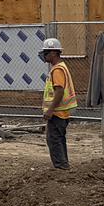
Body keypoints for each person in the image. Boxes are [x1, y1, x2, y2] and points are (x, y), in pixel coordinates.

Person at [39, 37, 75, 169]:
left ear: (54, 53)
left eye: (46, 52)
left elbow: (59, 91)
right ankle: (63, 165)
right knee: (59, 139)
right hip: (61, 112)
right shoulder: (60, 67)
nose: (44, 55)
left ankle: (61, 167)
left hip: (57, 113)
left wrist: (50, 110)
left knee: (54, 140)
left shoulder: (57, 70)